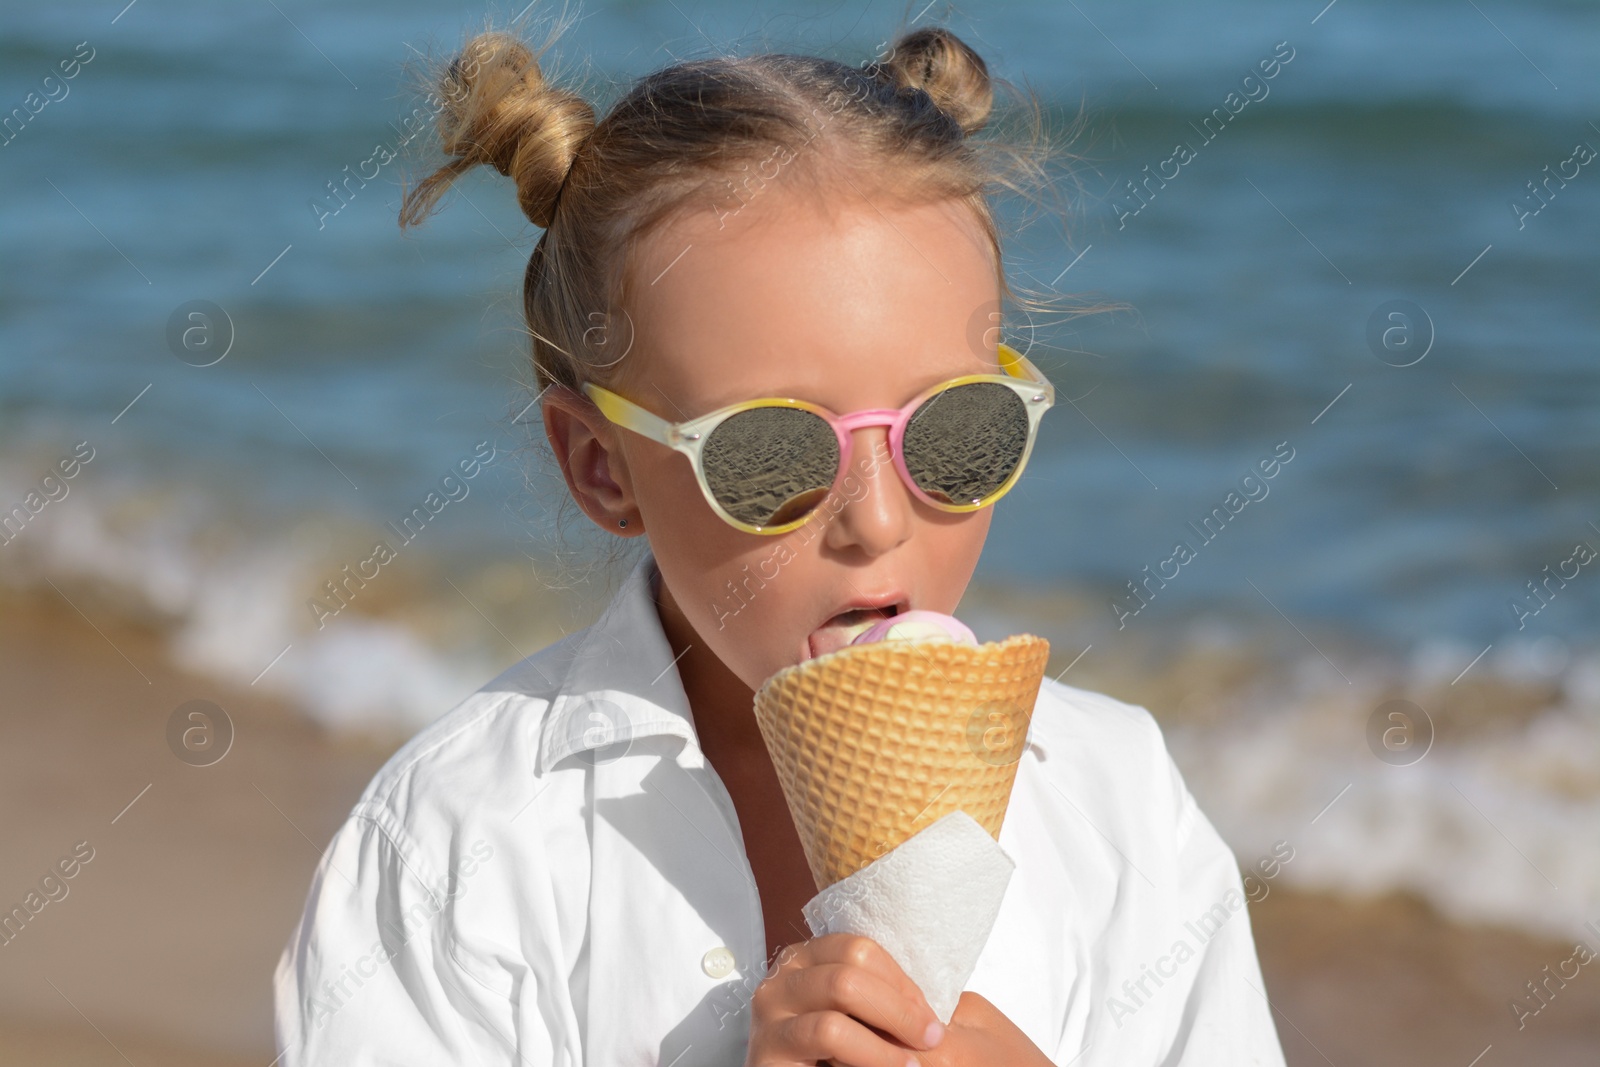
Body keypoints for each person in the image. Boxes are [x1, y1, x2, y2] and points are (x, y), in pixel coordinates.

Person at [273, 11, 1287, 1066]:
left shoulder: (1118, 804)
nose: (879, 520)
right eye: (773, 456)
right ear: (600, 465)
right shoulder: (460, 842)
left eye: (953, 433)